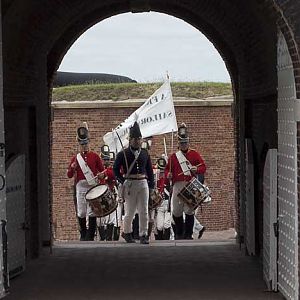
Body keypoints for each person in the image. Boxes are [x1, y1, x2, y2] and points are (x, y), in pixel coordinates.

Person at [113, 121, 155, 244]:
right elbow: (115, 169)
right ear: (130, 140)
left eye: (138, 138)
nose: (137, 141)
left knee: (144, 210)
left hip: (142, 182)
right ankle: (127, 232)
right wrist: (122, 180)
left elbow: (149, 170)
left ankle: (143, 234)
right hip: (130, 183)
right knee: (129, 211)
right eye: (134, 139)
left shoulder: (145, 153)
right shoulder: (123, 154)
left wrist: (151, 185)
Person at [164, 123, 206, 240]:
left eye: (185, 143)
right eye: (182, 143)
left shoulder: (194, 154)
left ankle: (188, 234)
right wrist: (169, 174)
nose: (183, 145)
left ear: (188, 142)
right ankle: (179, 233)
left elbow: (203, 167)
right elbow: (167, 169)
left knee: (189, 210)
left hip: (190, 184)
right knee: (176, 211)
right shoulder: (173, 157)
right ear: (179, 143)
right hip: (177, 185)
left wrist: (196, 169)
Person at [67, 126, 104, 241]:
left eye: (86, 144)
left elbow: (102, 170)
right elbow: (69, 175)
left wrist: (102, 179)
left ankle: (90, 235)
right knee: (82, 211)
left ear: (88, 143)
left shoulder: (95, 156)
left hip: (91, 185)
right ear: (79, 145)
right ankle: (83, 233)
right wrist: (72, 168)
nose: (84, 146)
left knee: (92, 211)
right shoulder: (76, 158)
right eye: (82, 144)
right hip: (80, 186)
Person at [155, 156, 172, 240]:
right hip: (160, 204)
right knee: (159, 226)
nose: (161, 172)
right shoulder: (156, 177)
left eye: (163, 170)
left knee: (167, 224)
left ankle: (166, 242)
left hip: (168, 203)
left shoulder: (168, 175)